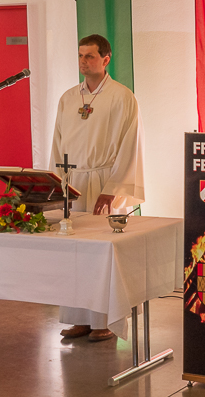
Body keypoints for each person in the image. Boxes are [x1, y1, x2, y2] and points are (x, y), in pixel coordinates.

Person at [51, 33, 145, 342]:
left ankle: (105, 321)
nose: (83, 61)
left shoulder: (122, 97)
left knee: (103, 256)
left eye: (90, 56)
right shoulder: (68, 98)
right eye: (80, 56)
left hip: (105, 183)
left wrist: (114, 187)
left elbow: (130, 145)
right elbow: (57, 143)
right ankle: (80, 319)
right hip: (73, 183)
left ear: (106, 59)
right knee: (73, 254)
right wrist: (57, 183)